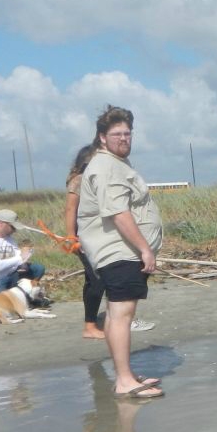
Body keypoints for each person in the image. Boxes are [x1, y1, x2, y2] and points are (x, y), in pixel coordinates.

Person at [77, 104, 165, 399]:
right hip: (119, 252)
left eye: (127, 133)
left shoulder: (114, 164)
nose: (124, 138)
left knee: (118, 316)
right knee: (121, 314)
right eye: (116, 134)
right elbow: (118, 212)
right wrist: (144, 249)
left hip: (120, 252)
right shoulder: (106, 166)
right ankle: (125, 380)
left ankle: (124, 374)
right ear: (102, 137)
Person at [65, 145, 156, 340]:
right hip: (89, 239)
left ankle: (119, 319)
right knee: (96, 281)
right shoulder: (80, 180)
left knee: (112, 280)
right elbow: (70, 210)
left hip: (106, 237)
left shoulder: (105, 176)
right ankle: (90, 326)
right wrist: (71, 237)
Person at [0, 209, 45, 291]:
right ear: (2, 223)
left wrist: (24, 264)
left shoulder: (9, 239)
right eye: (12, 227)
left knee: (38, 269)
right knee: (4, 283)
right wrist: (20, 259)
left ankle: (29, 293)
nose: (15, 230)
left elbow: (18, 257)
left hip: (12, 275)